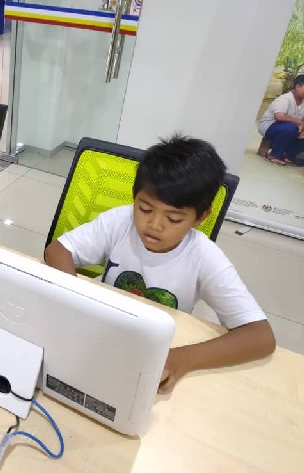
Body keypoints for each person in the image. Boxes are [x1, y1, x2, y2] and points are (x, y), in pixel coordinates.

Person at [44, 134, 276, 393]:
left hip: (158, 347)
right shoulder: (120, 222)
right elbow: (58, 251)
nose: (154, 225)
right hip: (103, 332)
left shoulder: (204, 257)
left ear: (200, 218)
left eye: (174, 219)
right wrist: (76, 305)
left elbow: (260, 336)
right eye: (144, 209)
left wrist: (179, 360)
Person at [257, 74, 304, 166]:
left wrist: (302, 131)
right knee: (291, 128)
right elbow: (279, 116)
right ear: (298, 86)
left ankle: (287, 155)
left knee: (295, 130)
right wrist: (299, 123)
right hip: (270, 127)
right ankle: (274, 155)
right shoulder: (285, 98)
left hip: (291, 129)